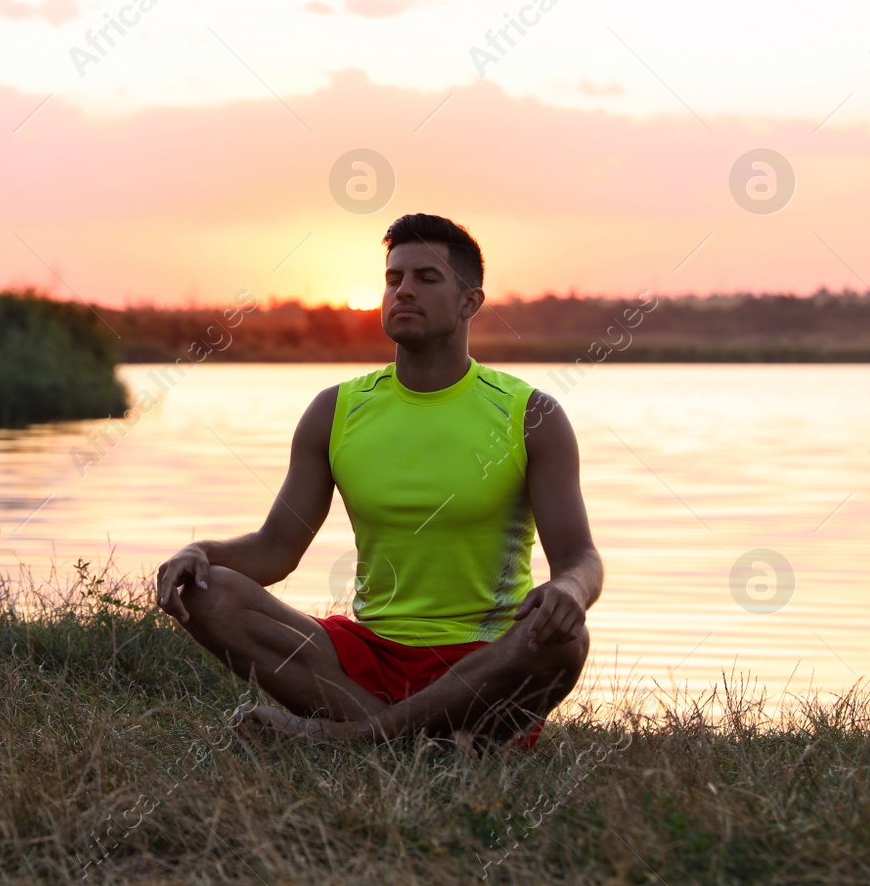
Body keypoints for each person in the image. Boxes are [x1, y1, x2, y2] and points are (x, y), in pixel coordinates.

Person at [155, 214, 602, 748]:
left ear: (470, 302)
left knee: (564, 641)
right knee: (212, 593)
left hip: (485, 665)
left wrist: (569, 589)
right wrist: (199, 551)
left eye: (427, 279)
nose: (404, 290)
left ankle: (351, 739)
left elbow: (580, 557)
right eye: (394, 279)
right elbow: (276, 548)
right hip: (366, 659)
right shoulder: (335, 411)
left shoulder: (530, 415)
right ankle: (418, 741)